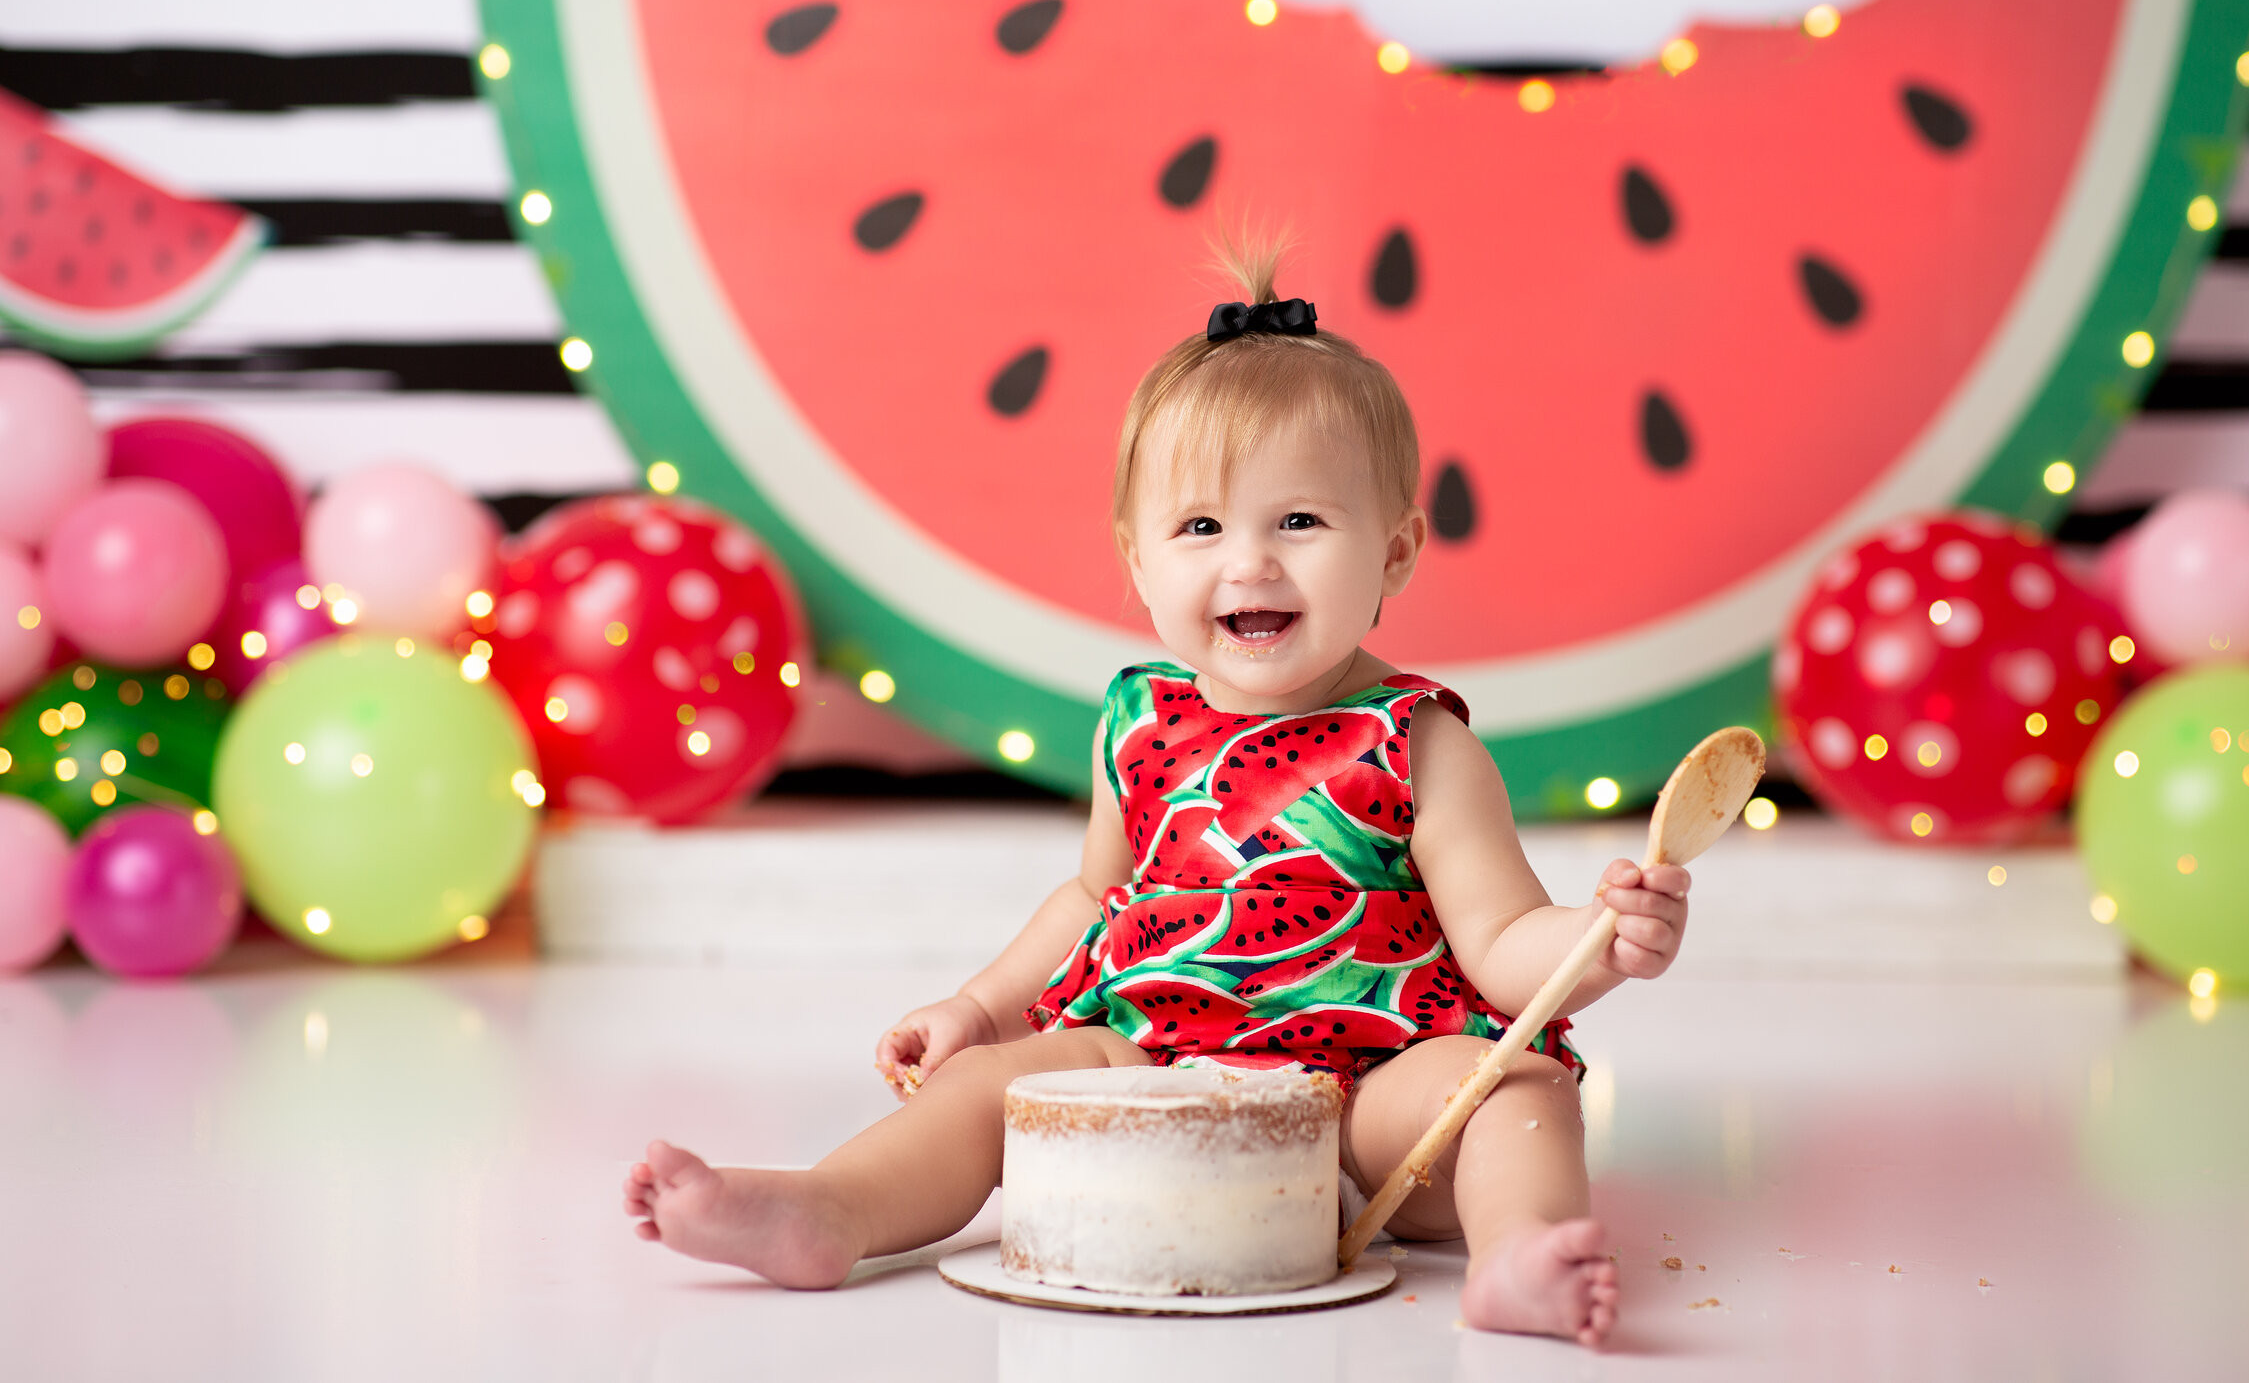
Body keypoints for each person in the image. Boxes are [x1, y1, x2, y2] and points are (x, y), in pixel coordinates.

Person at [623, 241, 1692, 1347]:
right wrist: (982, 1007)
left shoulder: (1418, 742)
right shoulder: (1135, 720)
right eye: (1200, 527)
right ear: (1135, 559)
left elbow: (1505, 937)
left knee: (1507, 1085)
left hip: (1369, 1100)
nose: (1250, 564)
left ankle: (1519, 1251)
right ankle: (827, 1210)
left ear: (1398, 549)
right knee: (992, 1086)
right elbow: (1093, 900)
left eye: (1300, 522)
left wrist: (1600, 941)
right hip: (1149, 1063)